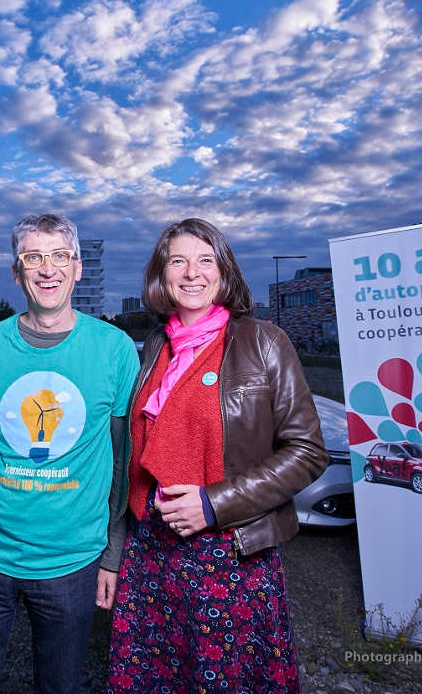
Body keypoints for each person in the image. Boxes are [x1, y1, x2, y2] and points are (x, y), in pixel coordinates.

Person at [0, 213, 140, 694]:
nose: (47, 269)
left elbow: (123, 466)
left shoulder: (115, 350)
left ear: (78, 267)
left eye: (60, 256)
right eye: (33, 257)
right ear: (17, 272)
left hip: (73, 561)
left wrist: (112, 556)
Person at [106, 218, 328, 694]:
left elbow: (308, 451)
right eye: (178, 261)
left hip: (228, 553)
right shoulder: (155, 346)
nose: (192, 273)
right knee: (155, 677)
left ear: (224, 273)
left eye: (206, 260)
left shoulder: (263, 342)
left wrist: (213, 503)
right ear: (161, 276)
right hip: (152, 551)